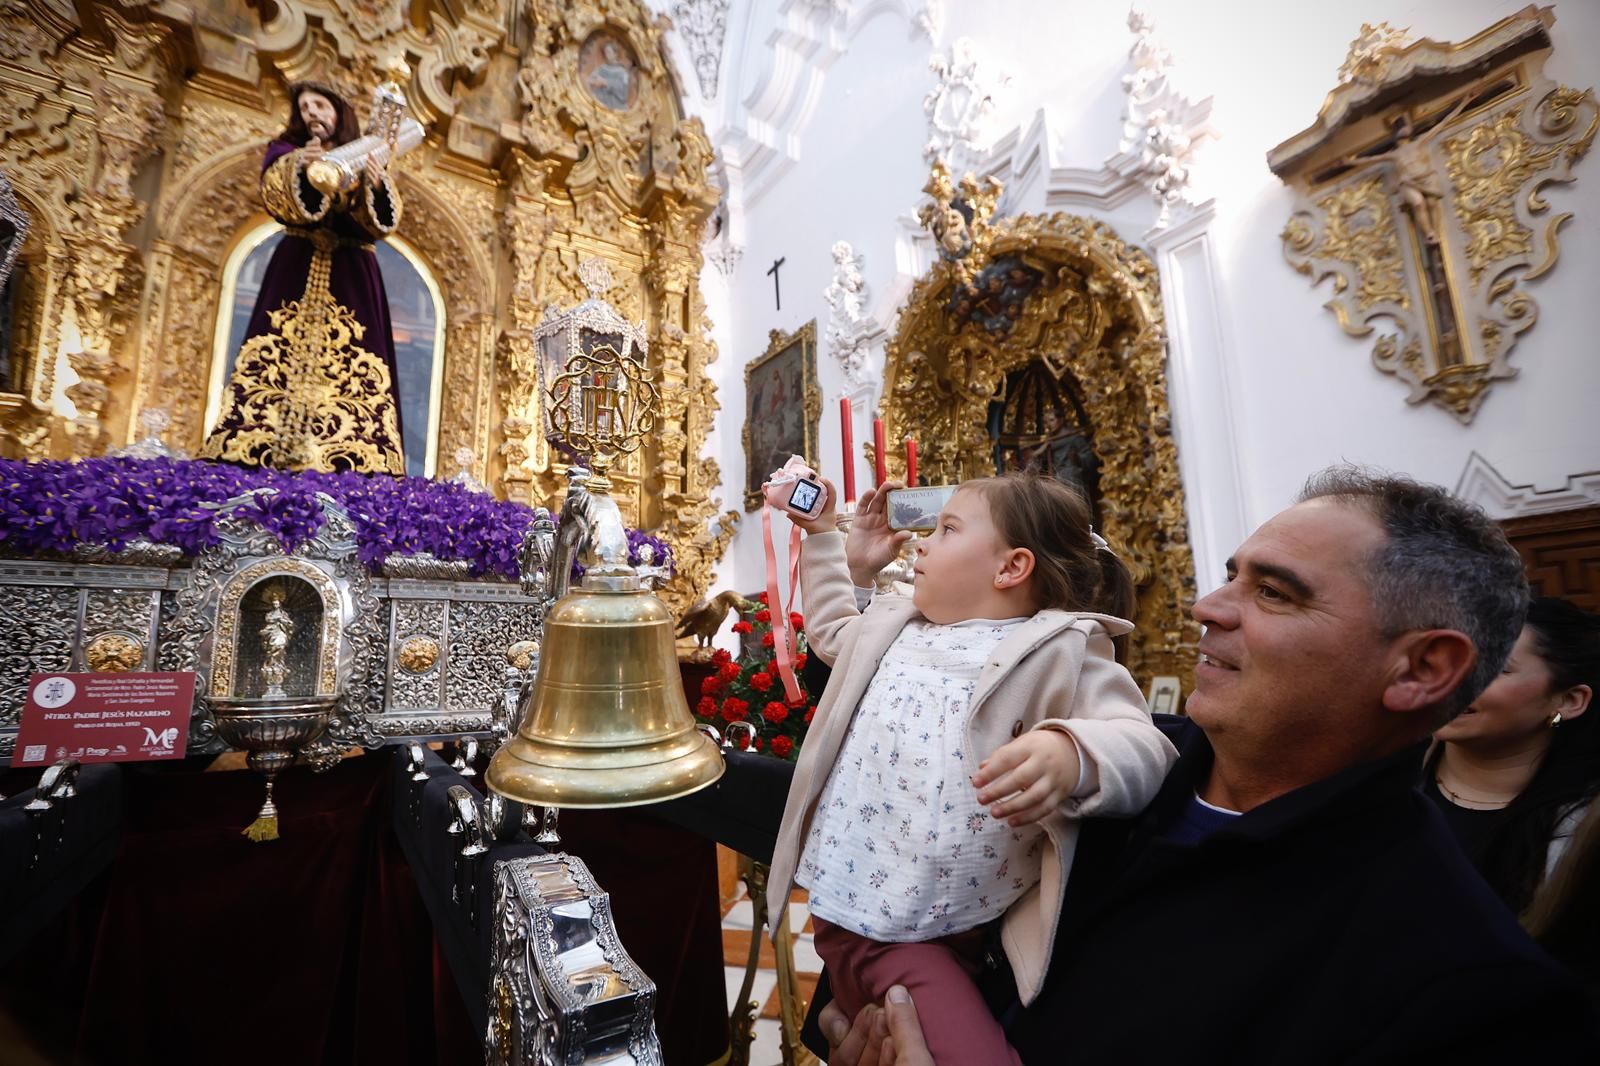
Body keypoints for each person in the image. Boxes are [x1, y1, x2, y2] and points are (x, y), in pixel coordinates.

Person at [823, 466, 1599, 1063]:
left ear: (1420, 669)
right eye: (1232, 574)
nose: (1208, 606)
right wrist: (853, 1023)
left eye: (1276, 593)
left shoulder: (1462, 988)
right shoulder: (1089, 765)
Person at [771, 473, 1178, 1063]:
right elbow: (833, 629)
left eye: (947, 529)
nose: (922, 544)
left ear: (1011, 568)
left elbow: (1145, 747)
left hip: (946, 926)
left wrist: (1073, 754)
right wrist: (821, 536)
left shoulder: (1061, 647)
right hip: (858, 923)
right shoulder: (896, 624)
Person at [201, 82, 407, 475]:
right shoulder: (286, 152)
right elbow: (281, 198)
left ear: (339, 113)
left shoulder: (365, 155)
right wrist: (302, 167)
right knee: (274, 359)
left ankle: (353, 462)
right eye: (306, 107)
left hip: (352, 275)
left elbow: (381, 224)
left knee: (358, 370)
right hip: (296, 266)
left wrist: (376, 183)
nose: (313, 112)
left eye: (321, 104)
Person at [1427, 596, 1599, 913]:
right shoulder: (1378, 778)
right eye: (1447, 660)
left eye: (1494, 667)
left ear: (1569, 700)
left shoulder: (1584, 831)